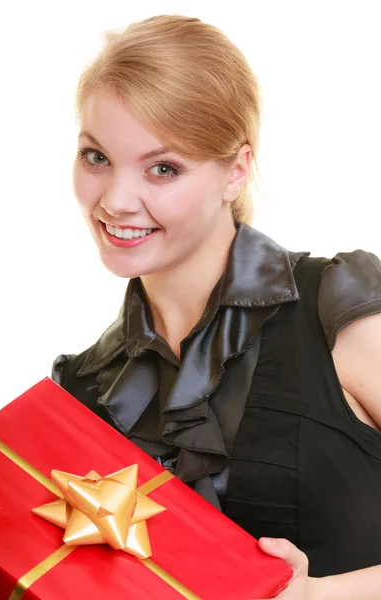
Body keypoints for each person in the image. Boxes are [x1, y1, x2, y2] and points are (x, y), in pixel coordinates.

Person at [52, 14, 381, 599]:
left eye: (163, 168)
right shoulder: (80, 393)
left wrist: (321, 596)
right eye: (96, 157)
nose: (116, 201)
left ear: (236, 170)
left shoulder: (340, 313)